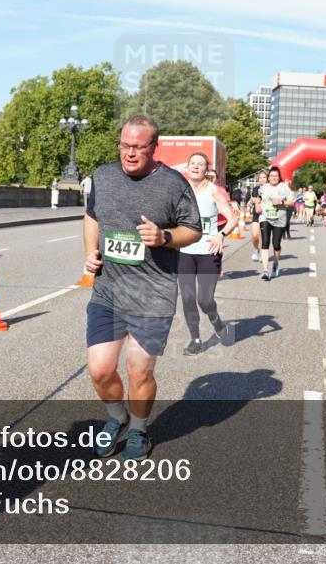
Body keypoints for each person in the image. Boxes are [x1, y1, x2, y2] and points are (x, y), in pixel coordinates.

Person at [83, 115, 201, 460]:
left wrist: (165, 237)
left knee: (139, 370)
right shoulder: (102, 177)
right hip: (109, 291)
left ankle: (138, 428)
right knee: (101, 370)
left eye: (138, 147)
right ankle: (116, 417)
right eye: (124, 145)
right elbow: (92, 215)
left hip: (153, 293)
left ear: (153, 147)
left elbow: (193, 229)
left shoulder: (173, 184)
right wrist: (90, 252)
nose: (129, 153)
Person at [179, 153, 237, 356]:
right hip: (184, 251)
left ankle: (216, 320)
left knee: (204, 300)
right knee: (187, 297)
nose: (195, 166)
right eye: (192, 163)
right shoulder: (179, 190)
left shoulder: (214, 191)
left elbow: (232, 219)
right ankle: (195, 339)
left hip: (208, 251)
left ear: (206, 169)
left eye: (200, 164)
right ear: (187, 167)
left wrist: (221, 235)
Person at [257, 166, 295, 281]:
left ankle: (275, 264)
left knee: (276, 244)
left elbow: (292, 202)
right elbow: (258, 198)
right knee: (265, 242)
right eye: (271, 176)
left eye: (276, 176)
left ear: (279, 177)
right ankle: (265, 270)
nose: (273, 178)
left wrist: (281, 201)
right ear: (268, 177)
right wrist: (257, 205)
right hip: (265, 217)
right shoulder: (264, 187)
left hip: (279, 219)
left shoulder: (284, 187)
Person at [249, 170, 268, 262]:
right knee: (255, 235)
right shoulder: (255, 189)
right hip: (256, 213)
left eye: (264, 177)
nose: (262, 179)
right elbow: (252, 199)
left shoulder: (271, 189)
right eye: (260, 178)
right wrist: (251, 201)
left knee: (264, 237)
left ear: (267, 178)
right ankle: (256, 250)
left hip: (266, 214)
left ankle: (263, 254)